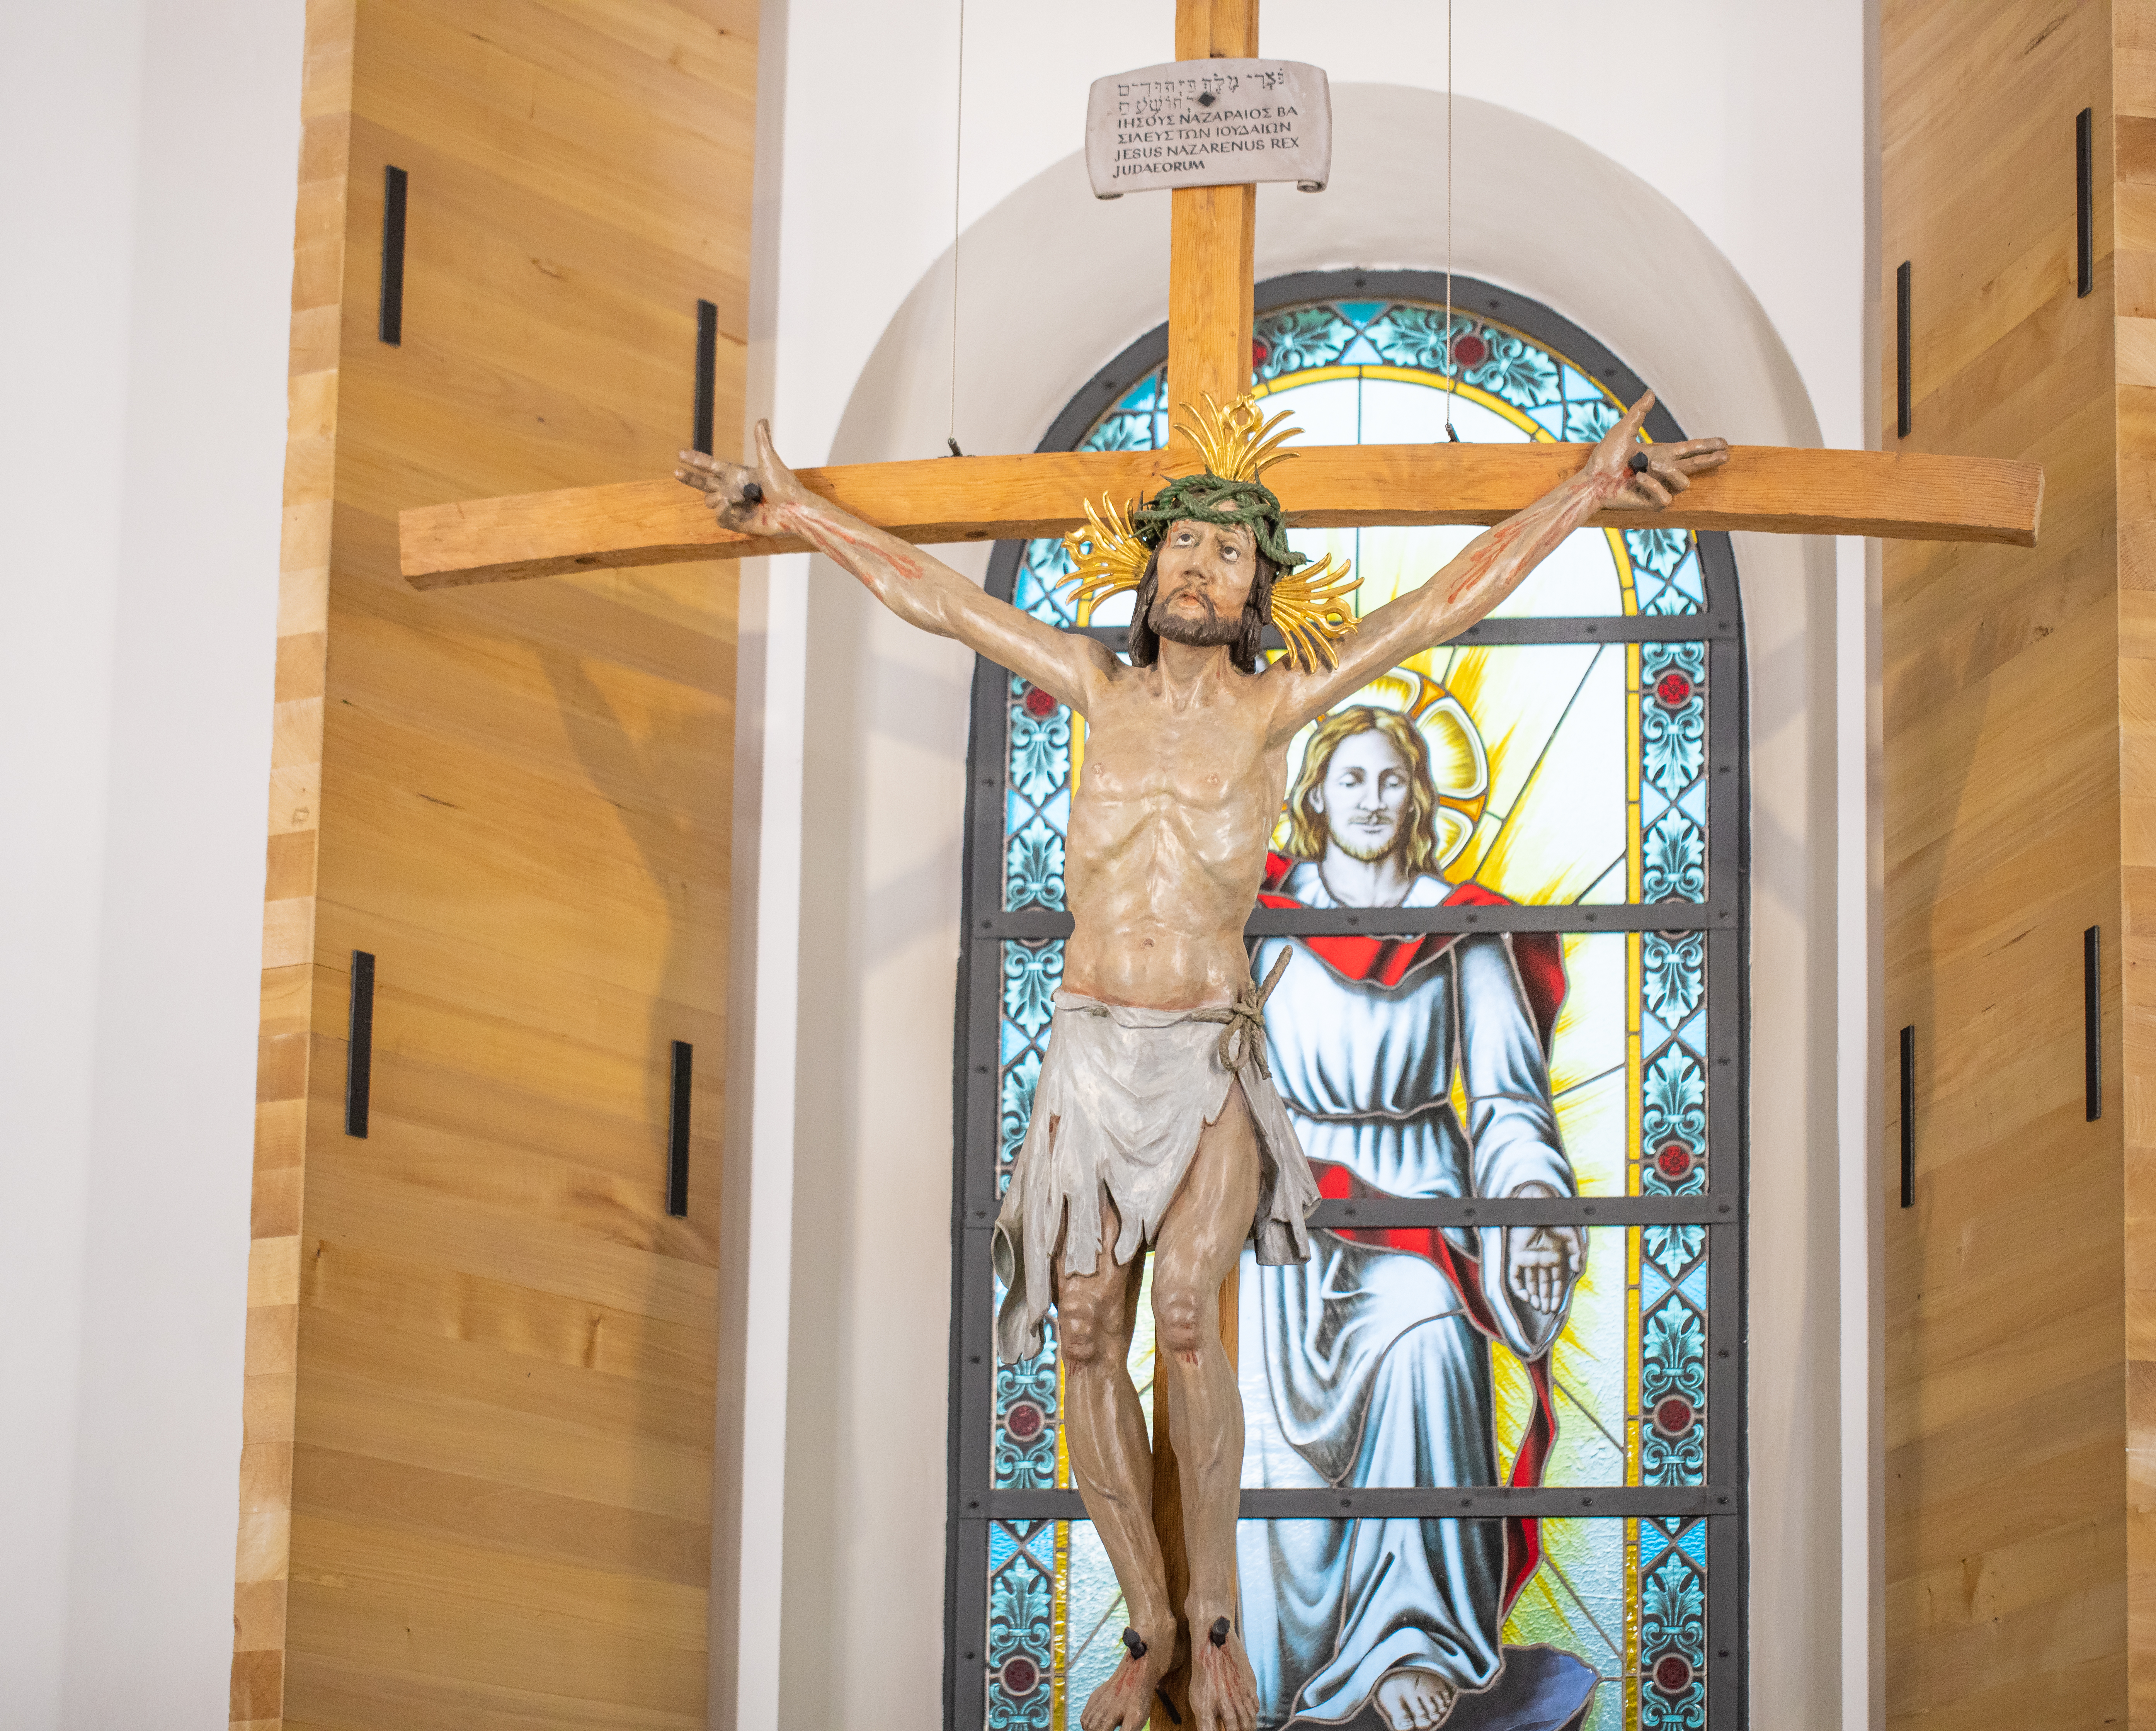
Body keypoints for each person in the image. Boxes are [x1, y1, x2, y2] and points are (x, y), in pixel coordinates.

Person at [675, 395, 1725, 1731]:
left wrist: (1585, 493)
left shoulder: (1283, 705)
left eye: (1232, 554)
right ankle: (1150, 1629)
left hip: (1214, 1053)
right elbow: (937, 602)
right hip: (1091, 1051)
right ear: (1148, 565)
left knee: (1185, 1313)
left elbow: (1442, 608)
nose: (1201, 568)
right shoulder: (1088, 683)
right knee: (1087, 1328)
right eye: (1184, 544)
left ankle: (1220, 1618)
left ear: (1258, 590)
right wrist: (798, 510)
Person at [1239, 705, 1582, 1731]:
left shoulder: (1458, 929)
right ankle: (1258, 1654)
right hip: (1287, 1211)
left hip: (1421, 1210)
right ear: (1316, 797)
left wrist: (1526, 1203)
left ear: (1416, 797)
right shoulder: (1263, 920)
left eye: (1392, 782)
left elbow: (1513, 1102)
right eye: (1352, 780)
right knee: (1245, 1368)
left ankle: (1412, 1640)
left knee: (1432, 1331)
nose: (1373, 801)